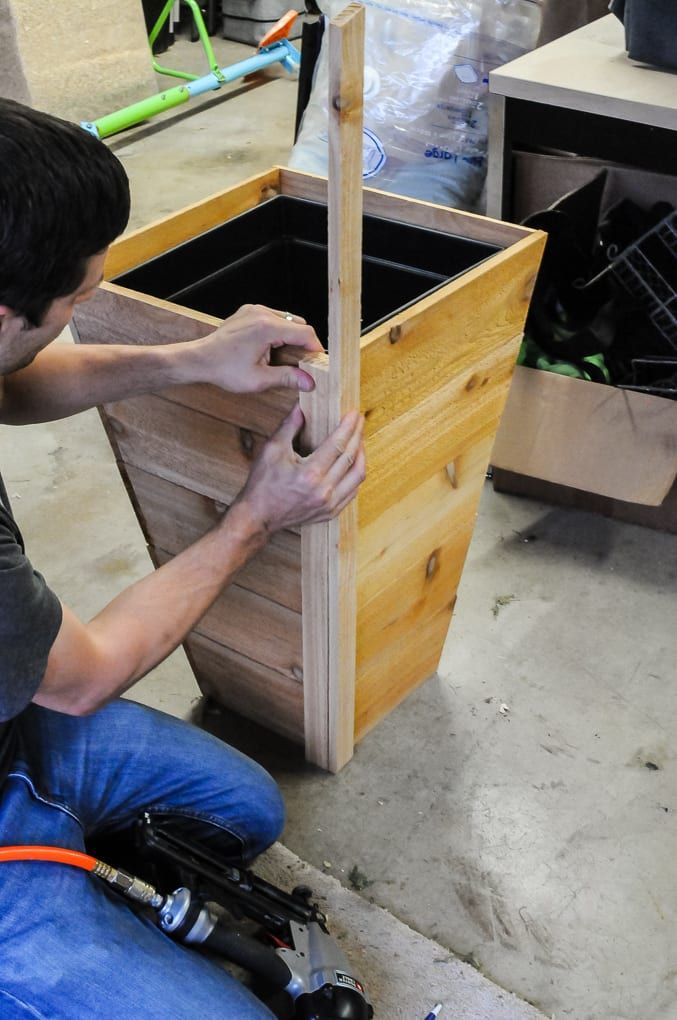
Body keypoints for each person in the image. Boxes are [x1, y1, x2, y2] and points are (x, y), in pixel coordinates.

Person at [0, 98, 365, 1018]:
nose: (85, 310)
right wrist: (255, 517)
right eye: (79, 300)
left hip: (10, 736)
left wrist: (194, 359)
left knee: (244, 813)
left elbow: (11, 384)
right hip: (29, 737)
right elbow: (79, 680)